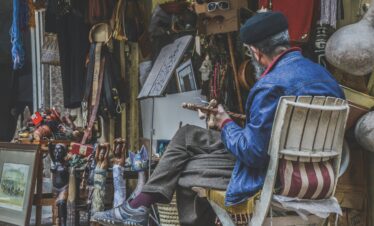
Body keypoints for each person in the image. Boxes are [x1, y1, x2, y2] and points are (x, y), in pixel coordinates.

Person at [92, 12, 344, 226]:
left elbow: (253, 153)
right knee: (188, 135)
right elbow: (277, 131)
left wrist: (224, 121)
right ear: (284, 41)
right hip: (318, 175)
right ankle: (140, 205)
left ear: (255, 53)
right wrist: (228, 120)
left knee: (184, 169)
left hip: (275, 174)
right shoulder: (327, 80)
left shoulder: (269, 86)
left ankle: (140, 205)